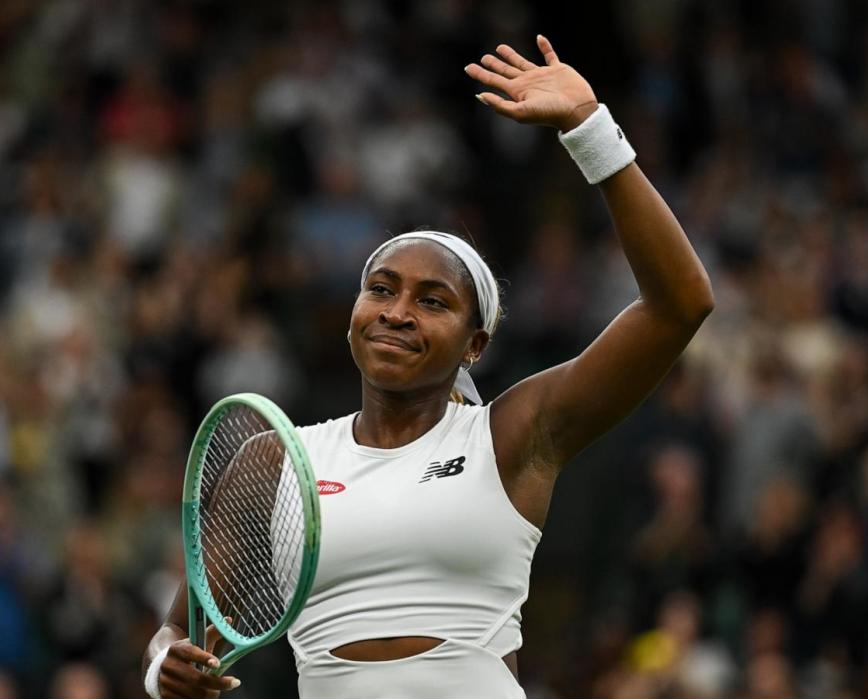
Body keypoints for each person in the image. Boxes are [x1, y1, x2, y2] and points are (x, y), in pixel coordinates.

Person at [142, 35, 714, 698]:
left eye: (433, 300)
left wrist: (591, 131)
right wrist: (163, 668)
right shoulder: (276, 461)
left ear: (475, 344)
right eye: (381, 288)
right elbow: (180, 627)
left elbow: (679, 306)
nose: (397, 311)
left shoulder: (513, 434)